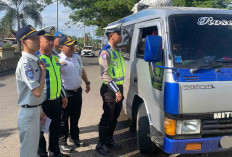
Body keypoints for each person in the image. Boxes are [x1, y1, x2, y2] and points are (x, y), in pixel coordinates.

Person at [36, 28, 69, 157]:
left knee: (55, 128)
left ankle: (55, 152)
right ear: (39, 41)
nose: (51, 42)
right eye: (47, 40)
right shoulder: (36, 58)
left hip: (55, 100)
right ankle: (42, 154)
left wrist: (63, 95)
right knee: (40, 131)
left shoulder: (55, 57)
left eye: (51, 39)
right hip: (42, 101)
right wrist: (38, 106)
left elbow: (58, 78)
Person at [15, 25, 46, 157]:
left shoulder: (34, 60)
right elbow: (37, 92)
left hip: (35, 109)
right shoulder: (25, 63)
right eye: (33, 38)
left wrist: (40, 109)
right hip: (28, 112)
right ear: (23, 42)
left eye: (38, 37)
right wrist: (44, 72)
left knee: (33, 150)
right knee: (28, 152)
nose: (38, 41)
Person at [96, 27, 125, 156]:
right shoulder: (105, 52)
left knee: (115, 115)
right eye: (119, 34)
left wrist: (119, 90)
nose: (121, 36)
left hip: (118, 87)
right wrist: (117, 91)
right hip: (109, 89)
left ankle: (109, 139)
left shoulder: (117, 51)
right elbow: (105, 75)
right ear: (111, 36)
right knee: (107, 116)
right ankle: (100, 144)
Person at [58, 36, 90, 151]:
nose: (73, 47)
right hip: (65, 94)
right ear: (61, 47)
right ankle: (62, 142)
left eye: (73, 45)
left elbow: (81, 70)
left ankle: (75, 138)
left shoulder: (77, 57)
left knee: (75, 117)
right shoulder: (58, 59)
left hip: (77, 92)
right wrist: (62, 95)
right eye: (69, 45)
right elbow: (56, 78)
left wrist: (87, 82)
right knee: (63, 119)